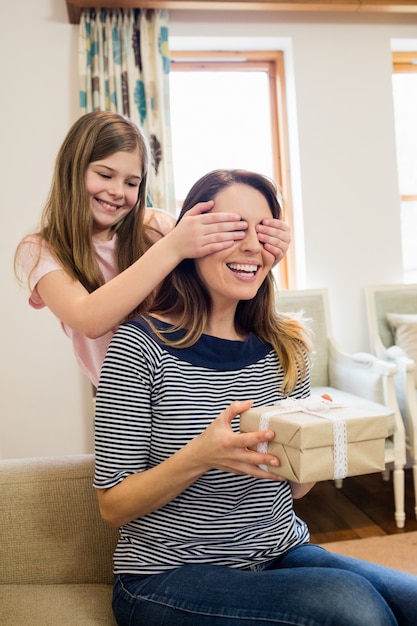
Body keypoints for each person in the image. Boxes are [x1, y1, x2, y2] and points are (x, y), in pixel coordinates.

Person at [93, 168, 417, 626]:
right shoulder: (138, 346)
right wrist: (202, 455)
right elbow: (112, 506)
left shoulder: (288, 345)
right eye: (233, 229)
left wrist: (321, 444)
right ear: (192, 238)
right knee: (352, 608)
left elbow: (297, 489)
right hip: (165, 576)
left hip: (279, 550)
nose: (251, 247)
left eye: (264, 231)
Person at [14, 111, 290, 387]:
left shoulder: (157, 226)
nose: (117, 191)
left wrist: (263, 257)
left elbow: (209, 283)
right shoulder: (41, 249)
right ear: (72, 170)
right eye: (105, 175)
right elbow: (88, 319)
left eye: (131, 183)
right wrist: (172, 247)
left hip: (180, 382)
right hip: (120, 391)